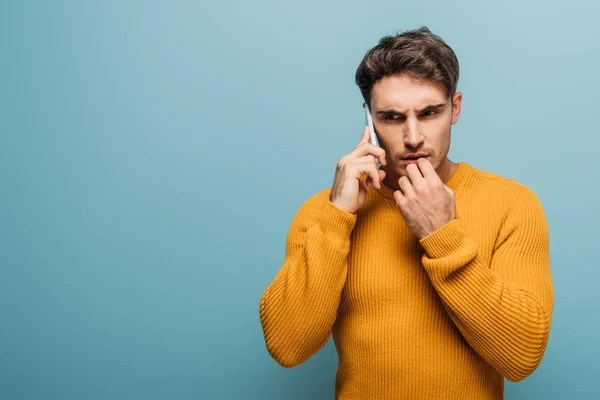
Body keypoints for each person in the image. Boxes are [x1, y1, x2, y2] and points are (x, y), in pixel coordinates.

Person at [258, 26, 554, 399]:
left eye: (429, 113)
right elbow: (287, 346)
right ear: (369, 119)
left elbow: (523, 356)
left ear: (455, 108)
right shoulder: (324, 211)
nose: (413, 137)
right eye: (393, 118)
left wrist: (442, 237)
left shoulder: (512, 203)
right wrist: (337, 217)